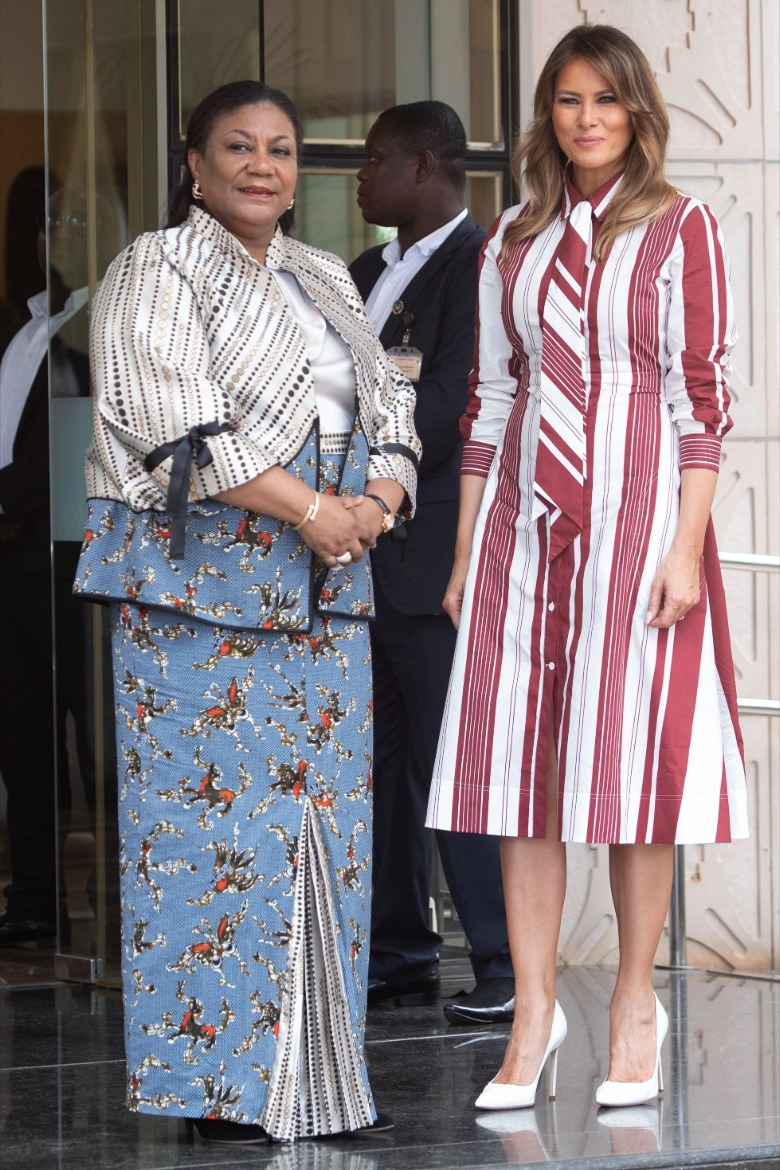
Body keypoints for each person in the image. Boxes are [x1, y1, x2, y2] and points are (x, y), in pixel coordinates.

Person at [74, 80, 419, 1144]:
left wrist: (378, 500)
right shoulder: (154, 267)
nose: (262, 165)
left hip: (327, 585)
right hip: (200, 592)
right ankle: (219, 1093)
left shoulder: (324, 273)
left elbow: (395, 402)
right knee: (208, 834)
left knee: (324, 837)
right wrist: (316, 509)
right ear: (195, 162)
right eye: (238, 146)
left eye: (280, 148)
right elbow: (171, 424)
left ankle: (317, 1085)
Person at [426, 24, 747, 1111]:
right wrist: (470, 546)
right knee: (521, 779)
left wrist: (687, 550)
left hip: (638, 528)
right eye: (567, 100)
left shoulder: (681, 228)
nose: (587, 119)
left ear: (636, 110)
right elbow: (494, 402)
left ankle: (631, 1006)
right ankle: (531, 1013)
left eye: (605, 99)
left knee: (630, 782)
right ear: (547, 116)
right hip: (525, 533)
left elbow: (700, 404)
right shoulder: (510, 238)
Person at [349, 101, 514, 1024]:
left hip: (433, 558)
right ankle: (399, 951)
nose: (362, 179)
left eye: (375, 161)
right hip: (358, 557)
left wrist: (354, 451)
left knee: (454, 765)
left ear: (426, 165)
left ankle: (497, 962)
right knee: (378, 769)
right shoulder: (366, 268)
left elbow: (455, 402)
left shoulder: (478, 265)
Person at [0, 186, 100, 948]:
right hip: (13, 562)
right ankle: (33, 901)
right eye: (39, 219)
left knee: (94, 741)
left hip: (72, 551)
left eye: (65, 218)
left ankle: (109, 903)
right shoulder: (20, 323)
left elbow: (82, 436)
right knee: (22, 742)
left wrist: (9, 502)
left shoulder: (102, 319)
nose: (51, 233)